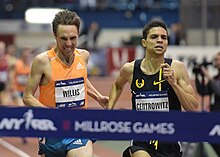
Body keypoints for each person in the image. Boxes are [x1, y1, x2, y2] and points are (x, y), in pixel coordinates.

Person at [23, 9, 108, 157]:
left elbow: (81, 79)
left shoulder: (83, 56)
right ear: (55, 36)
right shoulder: (42, 61)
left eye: (73, 38)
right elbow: (27, 96)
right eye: (63, 39)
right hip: (52, 131)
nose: (69, 44)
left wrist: (98, 96)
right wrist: (50, 113)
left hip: (78, 127)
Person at [107, 20, 198, 157]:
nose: (160, 41)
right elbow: (117, 85)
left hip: (169, 142)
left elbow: (193, 108)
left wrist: (174, 84)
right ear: (144, 42)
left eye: (164, 38)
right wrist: (109, 108)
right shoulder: (130, 69)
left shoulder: (177, 69)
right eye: (154, 37)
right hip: (141, 139)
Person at [195, 52, 220, 156]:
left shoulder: (212, 79)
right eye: (215, 59)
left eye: (218, 60)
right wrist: (197, 76)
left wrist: (208, 77)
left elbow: (218, 91)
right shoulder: (215, 78)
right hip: (214, 116)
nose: (216, 62)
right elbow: (203, 91)